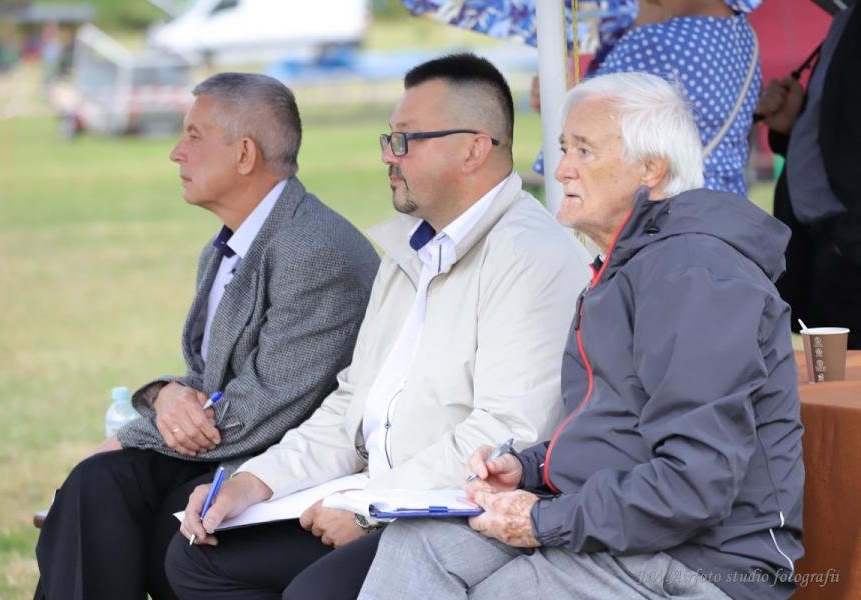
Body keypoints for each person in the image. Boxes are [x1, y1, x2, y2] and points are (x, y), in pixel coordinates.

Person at [359, 71, 804, 600]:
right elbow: (618, 432)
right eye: (564, 147)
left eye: (584, 151)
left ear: (651, 168)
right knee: (418, 544)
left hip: (703, 562)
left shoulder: (693, 273)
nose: (560, 168)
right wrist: (528, 469)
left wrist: (542, 521)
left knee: (504, 593)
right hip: (620, 529)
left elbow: (695, 484)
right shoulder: (629, 264)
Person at [164, 53, 591, 600]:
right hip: (381, 495)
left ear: (473, 149)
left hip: (457, 514)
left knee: (313, 593)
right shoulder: (410, 249)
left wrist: (370, 506)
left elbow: (507, 432)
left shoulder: (528, 253)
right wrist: (253, 482)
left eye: (406, 140)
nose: (389, 155)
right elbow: (351, 404)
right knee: (196, 557)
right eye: (390, 138)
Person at [33, 72, 381, 600]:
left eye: (194, 136)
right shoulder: (227, 247)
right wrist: (164, 396)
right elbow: (208, 380)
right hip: (229, 445)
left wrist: (128, 435)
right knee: (96, 484)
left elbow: (266, 407)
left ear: (244, 154)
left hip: (279, 462)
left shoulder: (314, 249)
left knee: (140, 509)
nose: (176, 152)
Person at [533, 0, 762, 197]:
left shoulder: (654, 42)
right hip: (729, 201)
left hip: (670, 207)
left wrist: (556, 103)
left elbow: (583, 133)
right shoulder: (744, 34)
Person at [757, 3, 861, 348]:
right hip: (823, 246)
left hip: (847, 245)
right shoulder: (847, 20)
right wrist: (793, 126)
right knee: (831, 377)